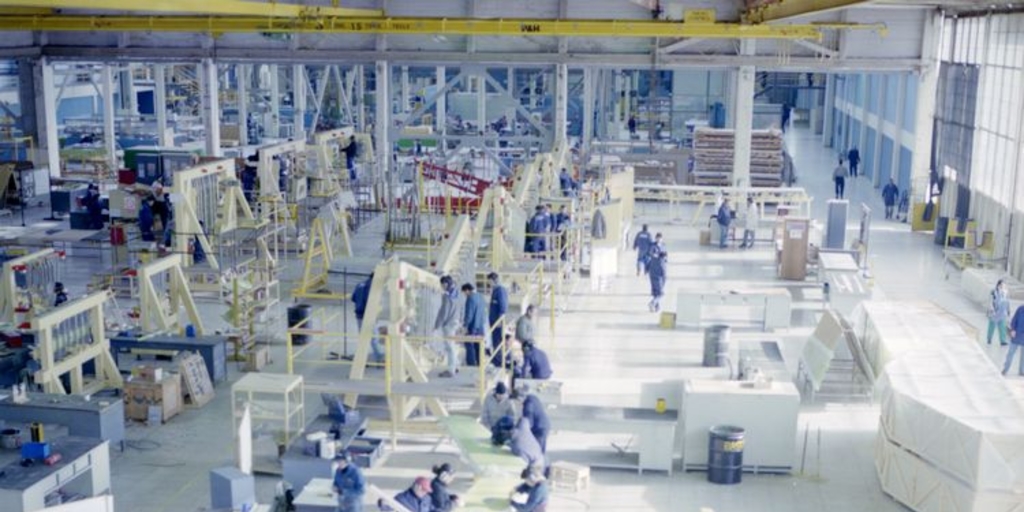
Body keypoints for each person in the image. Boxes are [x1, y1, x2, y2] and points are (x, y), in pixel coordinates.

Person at [352, 274, 384, 363]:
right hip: (368, 315)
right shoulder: (372, 287)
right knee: (374, 338)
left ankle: (361, 359)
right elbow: (371, 301)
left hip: (359, 315)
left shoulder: (359, 285)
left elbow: (353, 298)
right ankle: (379, 357)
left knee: (363, 338)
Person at [434, 275, 461, 378]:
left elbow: (443, 312)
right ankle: (455, 365)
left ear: (445, 284)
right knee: (452, 345)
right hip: (455, 322)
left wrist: (437, 324)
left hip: (448, 324)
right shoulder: (456, 293)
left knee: (449, 347)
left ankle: (451, 370)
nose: (441, 287)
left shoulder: (446, 296)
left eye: (442, 285)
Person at [461, 283, 486, 367]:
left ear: (467, 290)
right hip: (481, 326)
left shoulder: (470, 298)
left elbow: (469, 314)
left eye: (464, 293)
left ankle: (471, 365)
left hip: (472, 327)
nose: (464, 295)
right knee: (479, 346)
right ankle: (480, 364)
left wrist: (465, 326)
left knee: (469, 345)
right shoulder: (480, 296)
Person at [488, 272, 508, 367]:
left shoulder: (500, 290)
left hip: (497, 322)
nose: (489, 284)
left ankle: (499, 361)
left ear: (493, 280)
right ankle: (496, 359)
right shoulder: (495, 290)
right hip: (493, 320)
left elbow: (503, 307)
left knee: (498, 340)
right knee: (495, 340)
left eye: (490, 281)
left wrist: (500, 320)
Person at [1002, 305, 1024, 376]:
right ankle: (1005, 369)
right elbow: (1014, 320)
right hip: (1016, 335)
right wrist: (1012, 330)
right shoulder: (1020, 309)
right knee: (1010, 353)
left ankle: (1021, 371)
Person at [988, 280, 1011, 346]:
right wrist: (992, 310)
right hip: (994, 313)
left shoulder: (1006, 293)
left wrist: (1008, 311)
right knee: (991, 327)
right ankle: (989, 338)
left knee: (1002, 327)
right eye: (1002, 285)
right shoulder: (993, 292)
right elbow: (990, 301)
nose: (1003, 287)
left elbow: (1008, 302)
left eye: (1004, 285)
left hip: (1002, 313)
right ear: (998, 285)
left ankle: (1002, 341)